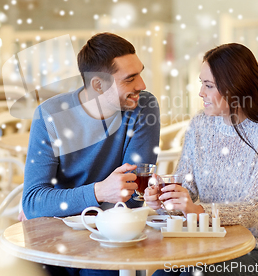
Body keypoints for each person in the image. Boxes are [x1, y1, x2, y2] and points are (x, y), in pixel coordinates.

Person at [144, 43, 258, 276]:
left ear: (236, 87)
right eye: (202, 83)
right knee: (162, 273)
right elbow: (186, 192)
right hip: (207, 242)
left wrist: (196, 210)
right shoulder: (200, 124)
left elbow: (253, 209)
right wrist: (165, 201)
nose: (201, 93)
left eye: (209, 85)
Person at [22, 32, 160, 276]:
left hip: (112, 234)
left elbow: (133, 193)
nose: (142, 85)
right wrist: (99, 191)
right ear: (98, 85)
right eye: (130, 79)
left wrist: (58, 203)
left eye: (140, 73)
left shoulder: (143, 107)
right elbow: (33, 202)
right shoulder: (49, 115)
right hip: (55, 236)